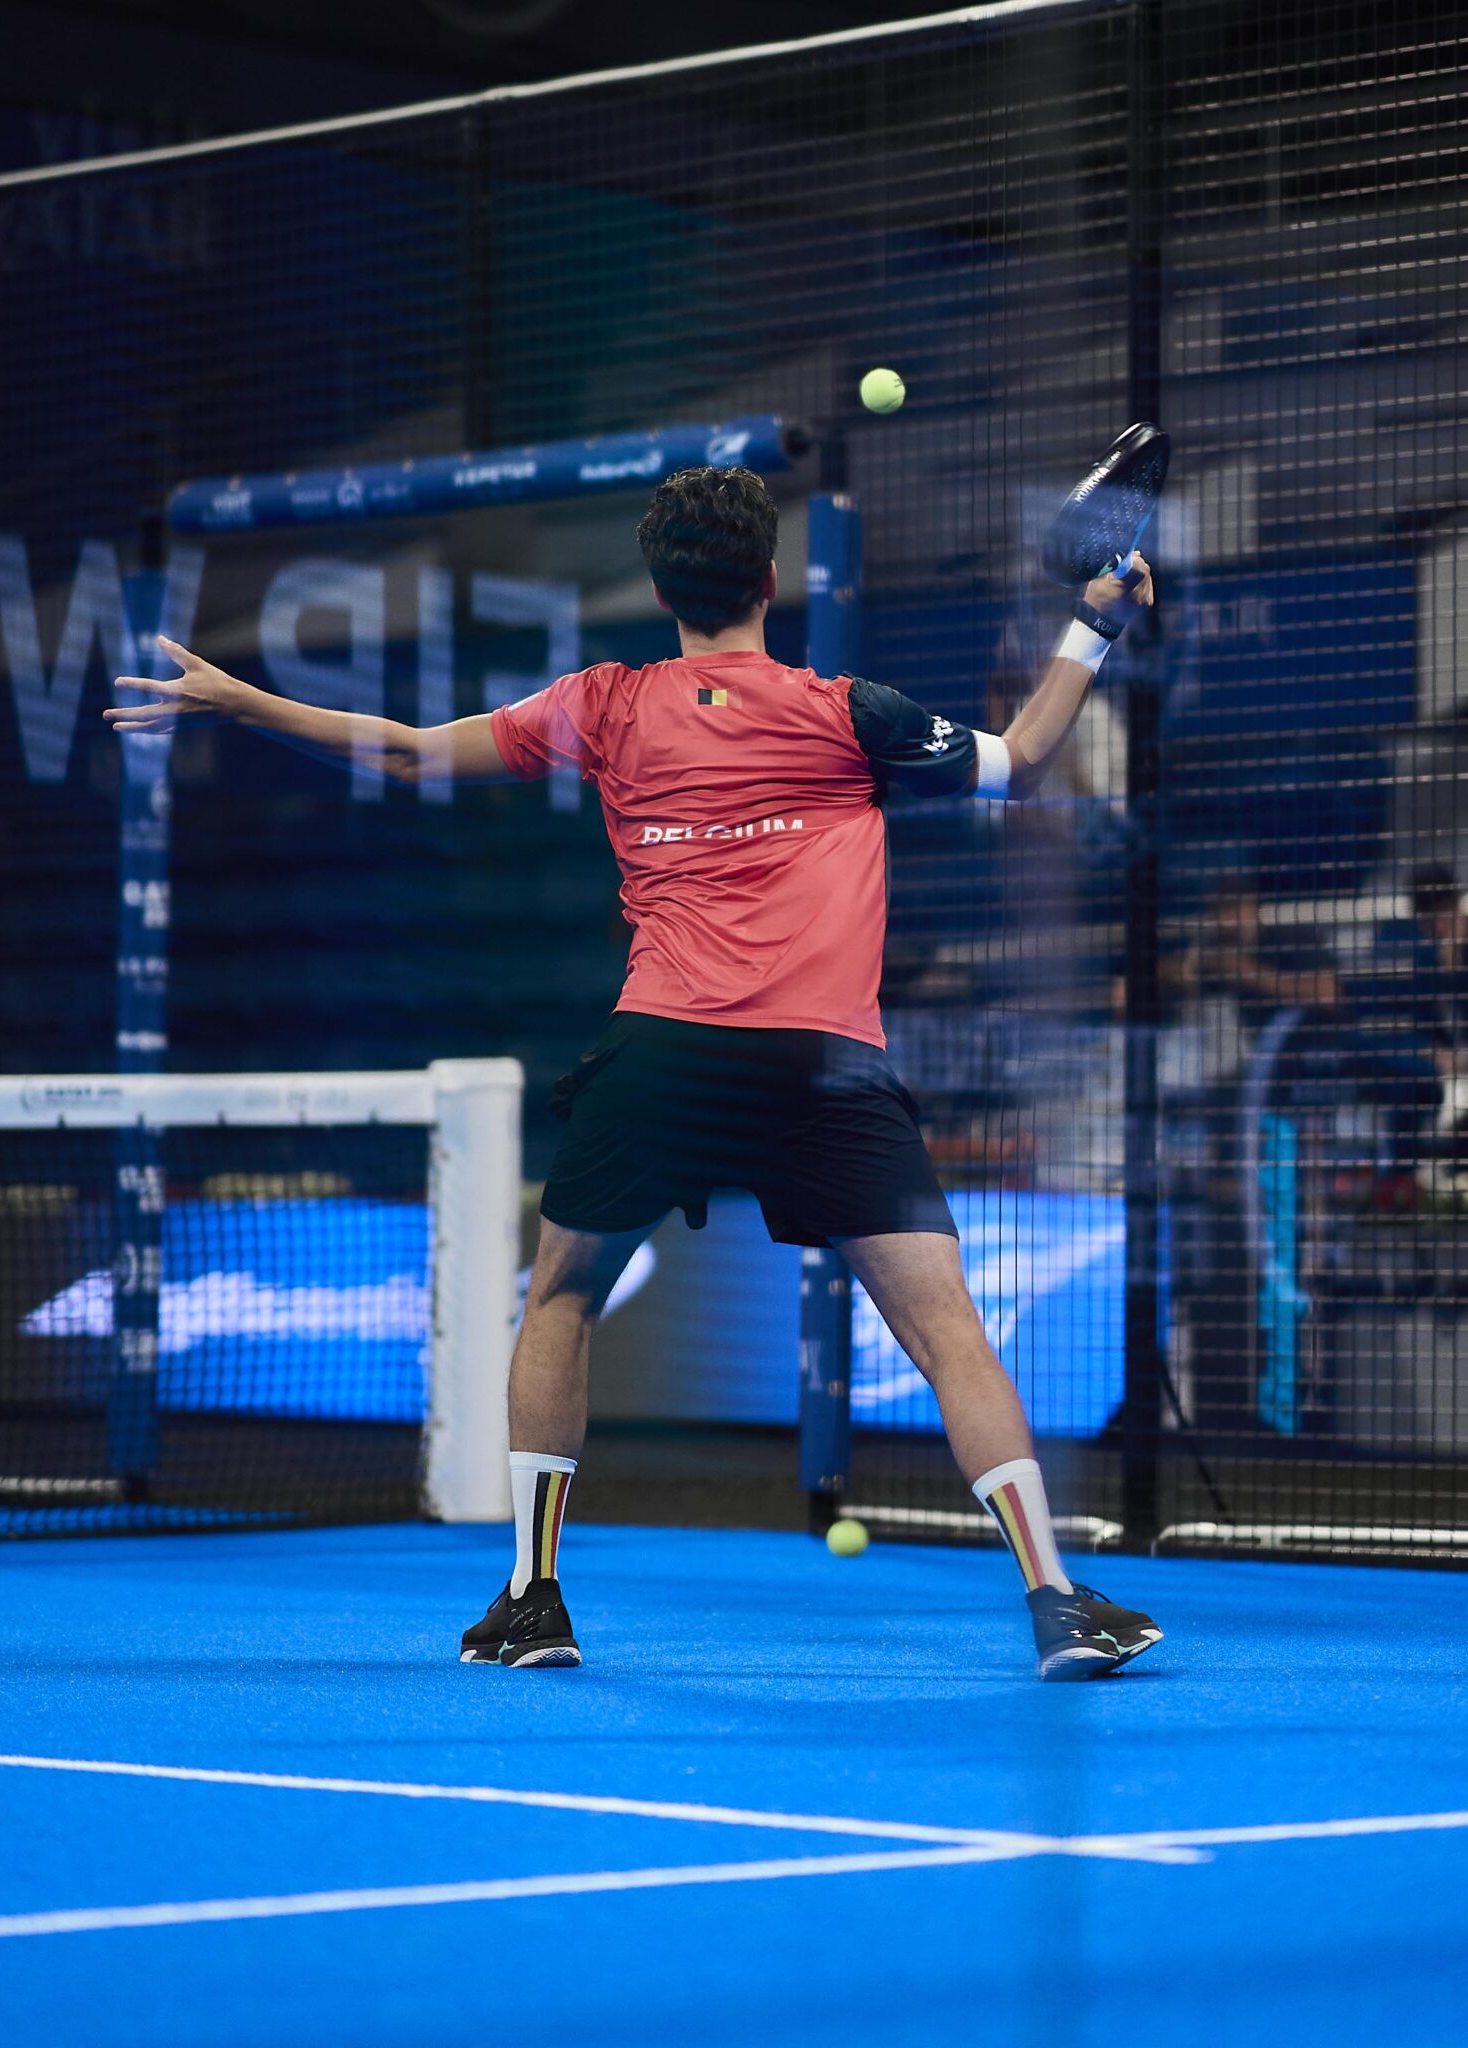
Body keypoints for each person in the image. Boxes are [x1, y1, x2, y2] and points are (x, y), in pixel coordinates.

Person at [108, 466, 1162, 1681]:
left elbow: (405, 756)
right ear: (770, 579)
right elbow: (1024, 757)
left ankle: (533, 1597)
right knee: (948, 1331)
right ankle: (1054, 1598)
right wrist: (1092, 624)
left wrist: (237, 698)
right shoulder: (852, 711)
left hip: (665, 1051)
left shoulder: (601, 703)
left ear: (663, 593)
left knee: (561, 1297)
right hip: (826, 1062)